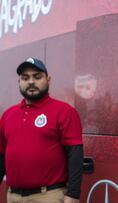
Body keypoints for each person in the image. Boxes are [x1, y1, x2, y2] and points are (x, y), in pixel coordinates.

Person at [0, 57, 84, 203]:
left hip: (48, 196)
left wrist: (74, 193)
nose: (31, 81)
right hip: (13, 196)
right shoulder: (8, 114)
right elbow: (1, 156)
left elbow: (75, 153)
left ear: (48, 79)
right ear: (19, 82)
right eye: (25, 78)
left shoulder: (64, 111)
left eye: (37, 77)